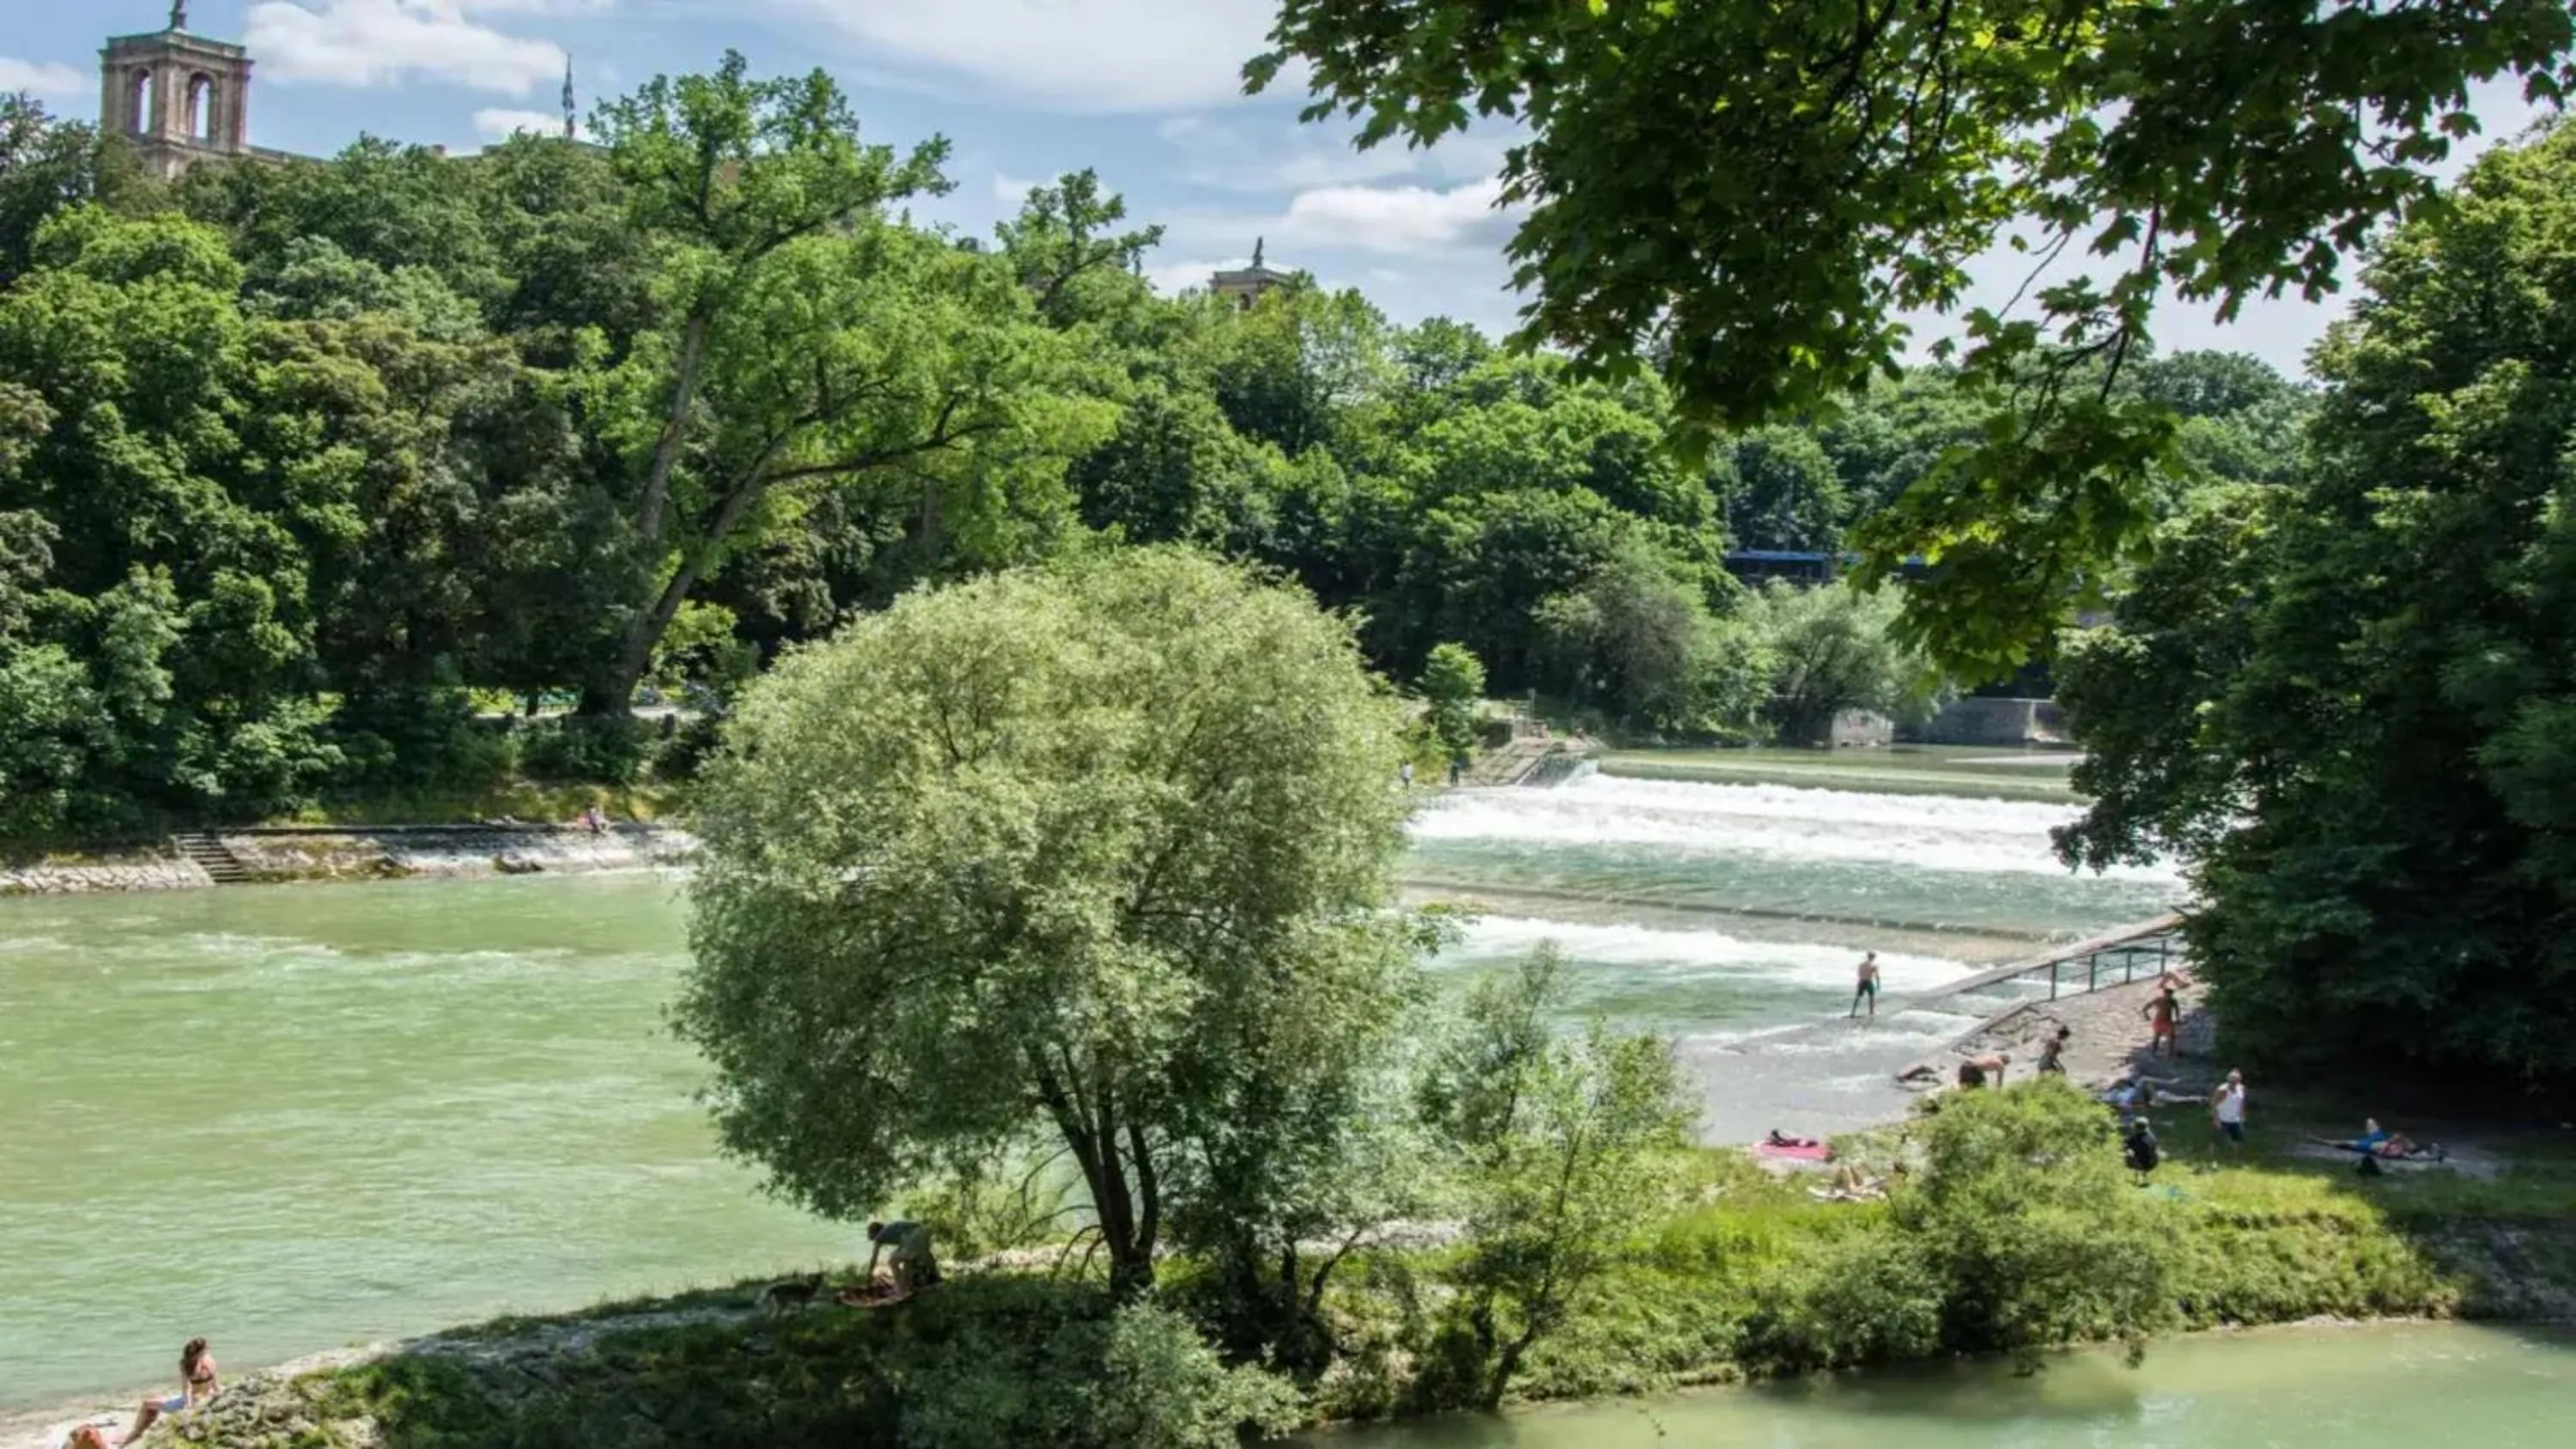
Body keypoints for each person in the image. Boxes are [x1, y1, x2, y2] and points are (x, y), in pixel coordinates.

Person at [118, 1338, 216, 1446]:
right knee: (157, 1402)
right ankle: (142, 1428)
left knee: (147, 1404)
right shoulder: (210, 1360)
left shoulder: (187, 1365)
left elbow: (187, 1389)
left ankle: (136, 1432)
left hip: (192, 1401)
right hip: (206, 1397)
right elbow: (214, 1383)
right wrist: (216, 1394)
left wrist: (188, 1407)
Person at [865, 1219, 939, 1297]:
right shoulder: (890, 1230)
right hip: (923, 1231)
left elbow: (874, 1258)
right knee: (907, 1261)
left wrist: (869, 1277)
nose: (869, 1235)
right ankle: (908, 1288)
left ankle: (900, 1290)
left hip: (913, 1235)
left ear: (874, 1231)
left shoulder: (880, 1235)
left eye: (870, 1232)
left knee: (893, 1261)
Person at [2209, 1069, 2249, 1164]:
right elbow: (2213, 1104)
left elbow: (2241, 1102)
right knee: (2216, 1141)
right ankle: (2212, 1159)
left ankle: (2235, 1159)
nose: (2233, 1083)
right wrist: (2216, 1119)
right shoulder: (2222, 1090)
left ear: (2239, 1081)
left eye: (2235, 1081)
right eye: (2231, 1081)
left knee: (2237, 1140)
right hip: (2222, 1118)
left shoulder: (2242, 1089)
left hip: (2235, 1119)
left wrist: (2242, 1114)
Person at [2142, 982, 2182, 1058]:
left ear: (2172, 994)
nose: (2168, 996)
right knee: (2157, 1037)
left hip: (2168, 1021)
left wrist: (2177, 1019)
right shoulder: (2158, 1000)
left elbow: (2177, 1010)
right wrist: (2146, 1016)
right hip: (2159, 1021)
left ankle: (2170, 1054)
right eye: (2167, 994)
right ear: (2164, 994)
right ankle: (2153, 1053)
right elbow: (2146, 1007)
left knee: (2172, 1037)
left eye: (2170, 995)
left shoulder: (2173, 1001)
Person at [2123, 1116, 2161, 1182]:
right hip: (2153, 1164)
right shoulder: (2152, 1137)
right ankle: (2145, 1176)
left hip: (2141, 1164)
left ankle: (2137, 1177)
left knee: (2129, 1154)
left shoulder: (2136, 1138)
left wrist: (2127, 1148)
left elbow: (2127, 1144)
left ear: (2137, 1127)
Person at [1848, 951, 1880, 1020]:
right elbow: (1877, 976)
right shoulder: (1874, 966)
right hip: (1868, 982)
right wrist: (1878, 985)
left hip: (1861, 981)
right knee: (1871, 997)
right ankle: (1871, 1012)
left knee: (1858, 997)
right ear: (1873, 958)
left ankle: (1853, 1012)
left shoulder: (1861, 965)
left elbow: (1859, 974)